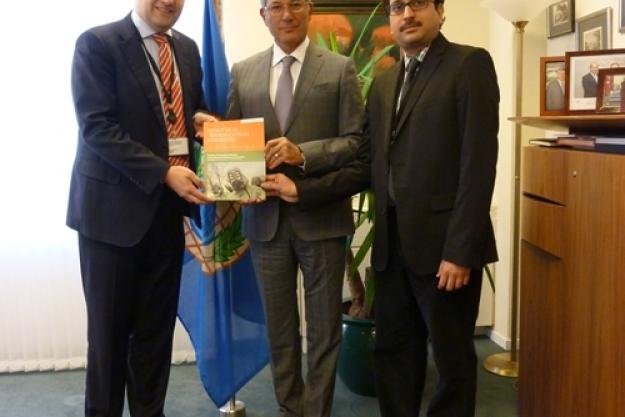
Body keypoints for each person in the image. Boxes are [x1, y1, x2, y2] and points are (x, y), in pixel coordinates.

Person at [67, 0, 213, 415]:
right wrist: (165, 172)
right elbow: (97, 127)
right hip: (110, 218)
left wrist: (205, 124)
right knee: (110, 339)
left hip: (166, 216)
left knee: (154, 336)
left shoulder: (186, 49)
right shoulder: (97, 44)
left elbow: (187, 113)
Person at [226, 1, 368, 415]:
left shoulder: (339, 68)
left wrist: (301, 153)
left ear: (309, 10)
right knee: (280, 329)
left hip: (322, 220)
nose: (286, 14)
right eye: (277, 6)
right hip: (265, 222)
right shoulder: (244, 71)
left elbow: (356, 141)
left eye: (296, 4)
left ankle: (317, 410)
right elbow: (232, 142)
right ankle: (290, 408)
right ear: (264, 14)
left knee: (325, 331)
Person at [367, 1, 498, 415]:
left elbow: (478, 165)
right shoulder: (384, 83)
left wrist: (460, 251)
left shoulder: (469, 64)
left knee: (452, 363)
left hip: (446, 251)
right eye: (397, 6)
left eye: (418, 3)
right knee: (393, 354)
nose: (407, 14)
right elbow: (368, 158)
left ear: (441, 10)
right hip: (392, 247)